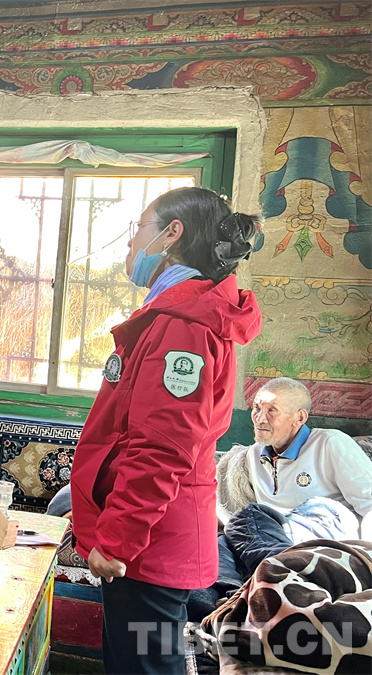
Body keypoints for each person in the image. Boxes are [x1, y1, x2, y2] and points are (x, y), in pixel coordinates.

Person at [66, 187, 262, 674]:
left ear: (172, 234)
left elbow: (163, 447)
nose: (131, 242)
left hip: (148, 545)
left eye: (138, 228)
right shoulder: (178, 314)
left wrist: (117, 539)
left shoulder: (184, 327)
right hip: (148, 538)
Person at [195, 377, 372, 615]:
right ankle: (225, 601)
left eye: (272, 410)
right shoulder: (253, 455)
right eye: (256, 408)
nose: (260, 418)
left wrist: (366, 558)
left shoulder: (330, 443)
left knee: (248, 516)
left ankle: (285, 581)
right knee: (219, 544)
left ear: (299, 418)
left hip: (326, 529)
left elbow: (369, 502)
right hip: (273, 534)